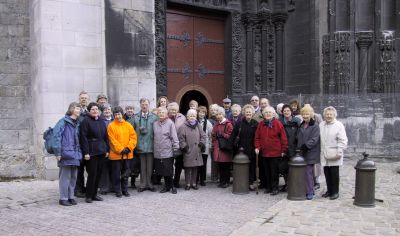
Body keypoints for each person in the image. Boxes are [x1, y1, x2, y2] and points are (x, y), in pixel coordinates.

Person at [53, 102, 82, 206]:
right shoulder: (63, 122)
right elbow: (56, 137)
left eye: (79, 109)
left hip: (75, 153)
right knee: (65, 177)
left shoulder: (77, 123)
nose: (79, 110)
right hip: (65, 153)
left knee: (73, 177)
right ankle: (63, 198)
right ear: (71, 109)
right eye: (77, 108)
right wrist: (57, 152)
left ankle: (70, 196)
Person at [80, 102, 109, 203]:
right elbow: (83, 138)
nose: (95, 111)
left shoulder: (101, 120)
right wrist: (86, 152)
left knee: (99, 174)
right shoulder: (85, 121)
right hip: (91, 152)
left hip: (101, 150)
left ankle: (94, 194)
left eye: (96, 109)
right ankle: (88, 195)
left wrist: (106, 149)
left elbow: (106, 136)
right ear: (89, 111)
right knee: (92, 174)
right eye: (93, 109)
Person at [254, 106, 288, 195]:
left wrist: (283, 150)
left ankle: (275, 188)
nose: (268, 114)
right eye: (266, 112)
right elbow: (257, 137)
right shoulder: (261, 124)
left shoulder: (278, 123)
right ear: (263, 115)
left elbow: (283, 138)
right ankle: (268, 187)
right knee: (267, 171)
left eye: (270, 112)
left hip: (275, 153)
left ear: (273, 114)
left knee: (274, 172)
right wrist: (257, 147)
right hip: (264, 153)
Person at [128, 98, 158, 192]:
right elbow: (129, 130)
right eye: (142, 104)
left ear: (149, 105)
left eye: (146, 104)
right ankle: (142, 184)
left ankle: (149, 184)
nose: (144, 106)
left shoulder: (154, 117)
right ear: (140, 105)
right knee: (142, 166)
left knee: (150, 166)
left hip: (150, 145)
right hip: (140, 145)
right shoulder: (135, 117)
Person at [107, 106, 137, 198]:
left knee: (126, 173)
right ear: (113, 115)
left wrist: (128, 148)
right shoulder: (111, 126)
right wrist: (121, 149)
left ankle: (125, 189)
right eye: (115, 114)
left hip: (127, 154)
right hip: (116, 155)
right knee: (116, 174)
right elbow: (112, 141)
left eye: (119, 114)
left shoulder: (128, 125)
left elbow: (133, 137)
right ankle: (117, 190)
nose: (118, 116)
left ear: (122, 114)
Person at [320, 106, 348, 200]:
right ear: (324, 115)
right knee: (327, 173)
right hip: (324, 153)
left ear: (334, 115)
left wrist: (340, 151)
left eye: (330, 114)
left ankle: (335, 192)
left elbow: (343, 140)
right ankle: (329, 190)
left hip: (335, 153)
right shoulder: (321, 124)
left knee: (334, 174)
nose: (328, 116)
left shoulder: (338, 125)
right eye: (327, 114)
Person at [231, 104, 258, 190]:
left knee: (252, 167)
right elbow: (234, 135)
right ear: (244, 113)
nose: (248, 113)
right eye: (247, 112)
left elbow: (258, 137)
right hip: (241, 149)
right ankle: (242, 181)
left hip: (252, 148)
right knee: (242, 166)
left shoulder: (255, 123)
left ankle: (250, 183)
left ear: (253, 113)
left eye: (250, 112)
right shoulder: (239, 123)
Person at [153, 107, 179, 194]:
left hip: (167, 151)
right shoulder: (155, 124)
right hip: (157, 151)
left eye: (163, 112)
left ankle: (172, 186)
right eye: (159, 112)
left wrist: (175, 148)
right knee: (162, 170)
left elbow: (174, 137)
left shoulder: (170, 123)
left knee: (169, 170)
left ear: (166, 114)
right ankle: (166, 187)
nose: (161, 114)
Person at [297, 105, 321, 200]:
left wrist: (305, 146)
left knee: (308, 172)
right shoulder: (302, 125)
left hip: (310, 152)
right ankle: (307, 189)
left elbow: (314, 139)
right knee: (304, 172)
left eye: (307, 114)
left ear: (311, 114)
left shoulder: (314, 125)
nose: (305, 115)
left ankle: (310, 192)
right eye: (303, 114)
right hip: (301, 152)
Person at [178, 109, 206, 190]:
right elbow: (181, 139)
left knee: (195, 168)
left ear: (196, 116)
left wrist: (201, 144)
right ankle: (187, 184)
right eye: (190, 115)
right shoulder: (183, 126)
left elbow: (203, 136)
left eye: (194, 116)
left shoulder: (198, 125)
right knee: (188, 168)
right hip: (188, 151)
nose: (192, 117)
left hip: (197, 150)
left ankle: (194, 183)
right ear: (187, 116)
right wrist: (185, 147)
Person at [279, 104, 301, 192]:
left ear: (291, 111)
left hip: (294, 147)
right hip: (284, 148)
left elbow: (299, 134)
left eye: (288, 111)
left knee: (293, 167)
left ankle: (293, 184)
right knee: (283, 167)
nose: (286, 112)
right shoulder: (280, 121)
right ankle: (286, 183)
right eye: (284, 111)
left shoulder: (297, 121)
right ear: (282, 112)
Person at [212, 106, 233, 188]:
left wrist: (222, 134)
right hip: (218, 148)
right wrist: (214, 141)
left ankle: (226, 182)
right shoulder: (216, 124)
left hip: (225, 148)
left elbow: (230, 136)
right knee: (220, 166)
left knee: (226, 166)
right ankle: (222, 181)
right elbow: (213, 135)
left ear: (223, 114)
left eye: (220, 114)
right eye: (217, 114)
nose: (218, 116)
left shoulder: (228, 124)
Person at [167, 102, 187, 188]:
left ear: (177, 110)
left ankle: (176, 181)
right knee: (169, 165)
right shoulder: (166, 117)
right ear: (168, 110)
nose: (173, 111)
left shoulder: (182, 117)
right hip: (168, 145)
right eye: (171, 110)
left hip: (179, 145)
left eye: (174, 110)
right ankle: (169, 182)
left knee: (178, 165)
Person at [75, 92, 90, 197]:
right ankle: (78, 189)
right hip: (79, 144)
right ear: (79, 99)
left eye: (85, 98)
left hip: (88, 144)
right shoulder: (76, 111)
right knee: (79, 169)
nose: (84, 100)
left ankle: (86, 188)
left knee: (89, 168)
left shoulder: (89, 111)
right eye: (82, 98)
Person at [98, 103, 114, 195]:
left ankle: (112, 186)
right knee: (104, 168)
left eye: (108, 109)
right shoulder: (100, 120)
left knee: (113, 168)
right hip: (104, 147)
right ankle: (104, 187)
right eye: (105, 110)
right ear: (102, 112)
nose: (107, 111)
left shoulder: (114, 119)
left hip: (114, 148)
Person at [196, 106, 213, 186]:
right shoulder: (195, 121)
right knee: (196, 163)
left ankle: (202, 180)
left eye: (203, 112)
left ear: (205, 114)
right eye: (200, 112)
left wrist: (210, 146)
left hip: (204, 146)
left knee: (203, 163)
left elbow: (211, 135)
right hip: (195, 146)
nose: (201, 114)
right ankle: (195, 179)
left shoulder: (208, 123)